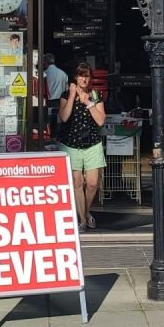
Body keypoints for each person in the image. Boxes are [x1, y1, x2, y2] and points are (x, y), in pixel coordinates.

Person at [57, 63, 106, 230]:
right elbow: (64, 117)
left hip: (92, 143)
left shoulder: (95, 95)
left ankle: (84, 212)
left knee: (92, 183)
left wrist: (88, 103)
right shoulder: (66, 95)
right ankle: (83, 220)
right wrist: (72, 96)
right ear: (75, 77)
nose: (84, 79)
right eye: (81, 76)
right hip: (71, 143)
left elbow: (101, 121)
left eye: (87, 76)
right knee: (77, 182)